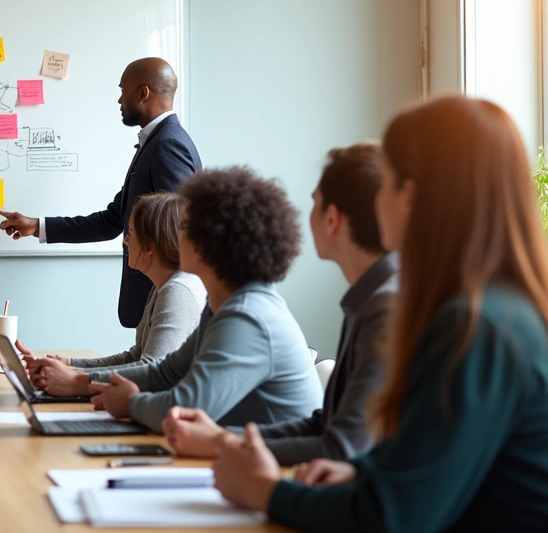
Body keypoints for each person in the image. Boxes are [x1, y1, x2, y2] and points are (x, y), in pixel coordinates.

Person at [213, 97, 548, 531]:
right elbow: (435, 463)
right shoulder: (499, 309)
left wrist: (265, 490)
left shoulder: (473, 327)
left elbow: (393, 519)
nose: (376, 200)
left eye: (384, 182)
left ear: (409, 197)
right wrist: (364, 474)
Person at [164, 143, 397, 464]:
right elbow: (324, 425)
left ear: (331, 219)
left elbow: (341, 449)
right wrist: (224, 439)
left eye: (314, 203)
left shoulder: (385, 306)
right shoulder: (367, 299)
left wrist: (221, 444)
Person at [83, 167, 322, 432]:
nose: (175, 235)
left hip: (272, 469)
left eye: (186, 227)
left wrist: (131, 403)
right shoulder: (226, 305)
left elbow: (188, 408)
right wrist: (83, 381)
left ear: (211, 243)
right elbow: (166, 372)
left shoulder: (247, 316)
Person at [0, 57, 201, 329]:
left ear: (143, 93)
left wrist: (171, 301)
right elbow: (112, 221)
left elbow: (177, 230)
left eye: (122, 91)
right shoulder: (157, 142)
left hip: (165, 303)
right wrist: (36, 226)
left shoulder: (168, 144)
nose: (119, 100)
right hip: (154, 303)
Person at [13, 193, 207, 394]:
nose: (126, 240)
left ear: (150, 245)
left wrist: (76, 379)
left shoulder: (178, 291)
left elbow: (151, 369)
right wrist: (68, 365)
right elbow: (137, 356)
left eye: (130, 231)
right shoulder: (164, 286)